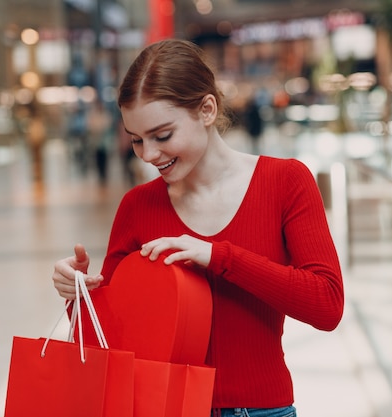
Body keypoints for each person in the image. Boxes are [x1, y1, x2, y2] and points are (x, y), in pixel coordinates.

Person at [51, 39, 344, 417]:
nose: (149, 155)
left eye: (162, 135)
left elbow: (327, 305)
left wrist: (220, 256)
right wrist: (78, 294)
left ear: (207, 109)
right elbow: (114, 336)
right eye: (137, 140)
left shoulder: (285, 182)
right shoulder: (138, 206)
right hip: (165, 407)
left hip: (261, 410)